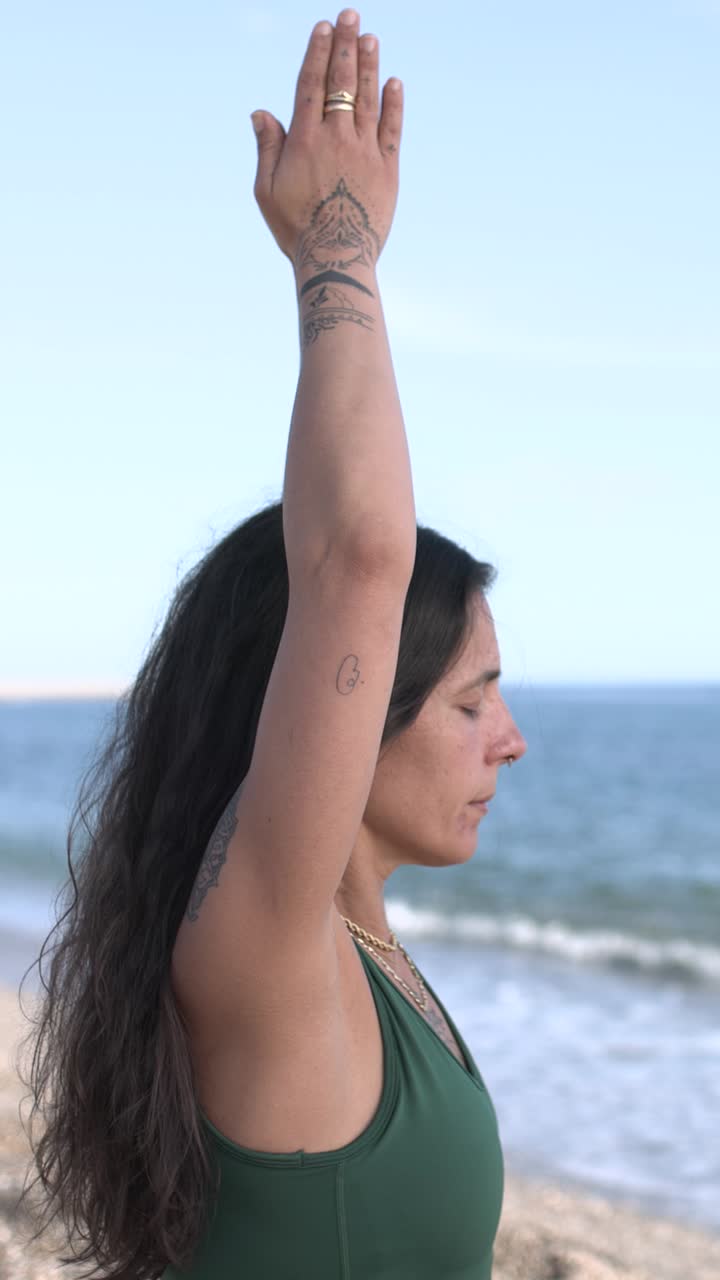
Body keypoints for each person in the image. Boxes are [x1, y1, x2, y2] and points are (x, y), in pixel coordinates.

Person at [18, 10, 527, 1278]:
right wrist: (335, 257)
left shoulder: (361, 947)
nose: (511, 740)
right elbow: (355, 556)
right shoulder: (269, 952)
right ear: (351, 706)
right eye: (472, 702)